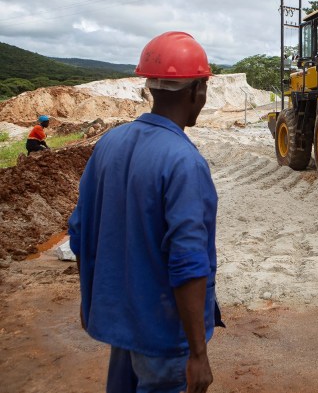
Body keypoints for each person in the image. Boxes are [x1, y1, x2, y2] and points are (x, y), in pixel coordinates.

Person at [68, 31, 223, 393]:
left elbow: (79, 232)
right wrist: (198, 354)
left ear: (150, 87)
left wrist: (89, 300)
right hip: (163, 335)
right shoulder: (185, 162)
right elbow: (188, 263)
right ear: (198, 91)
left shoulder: (108, 144)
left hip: (123, 323)